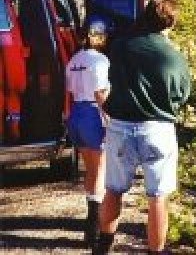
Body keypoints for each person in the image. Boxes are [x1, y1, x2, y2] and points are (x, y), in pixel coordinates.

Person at [95, 0, 191, 255]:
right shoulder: (175, 56)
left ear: (144, 15)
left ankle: (103, 246)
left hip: (120, 127)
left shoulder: (120, 46)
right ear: (171, 23)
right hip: (158, 129)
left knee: (113, 190)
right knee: (157, 198)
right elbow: (182, 95)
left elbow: (104, 68)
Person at [65, 17, 110, 246]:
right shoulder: (101, 60)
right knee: (100, 169)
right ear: (98, 36)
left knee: (90, 169)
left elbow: (70, 91)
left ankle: (90, 221)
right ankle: (94, 226)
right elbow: (100, 93)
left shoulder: (73, 60)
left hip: (77, 115)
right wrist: (109, 118)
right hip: (93, 114)